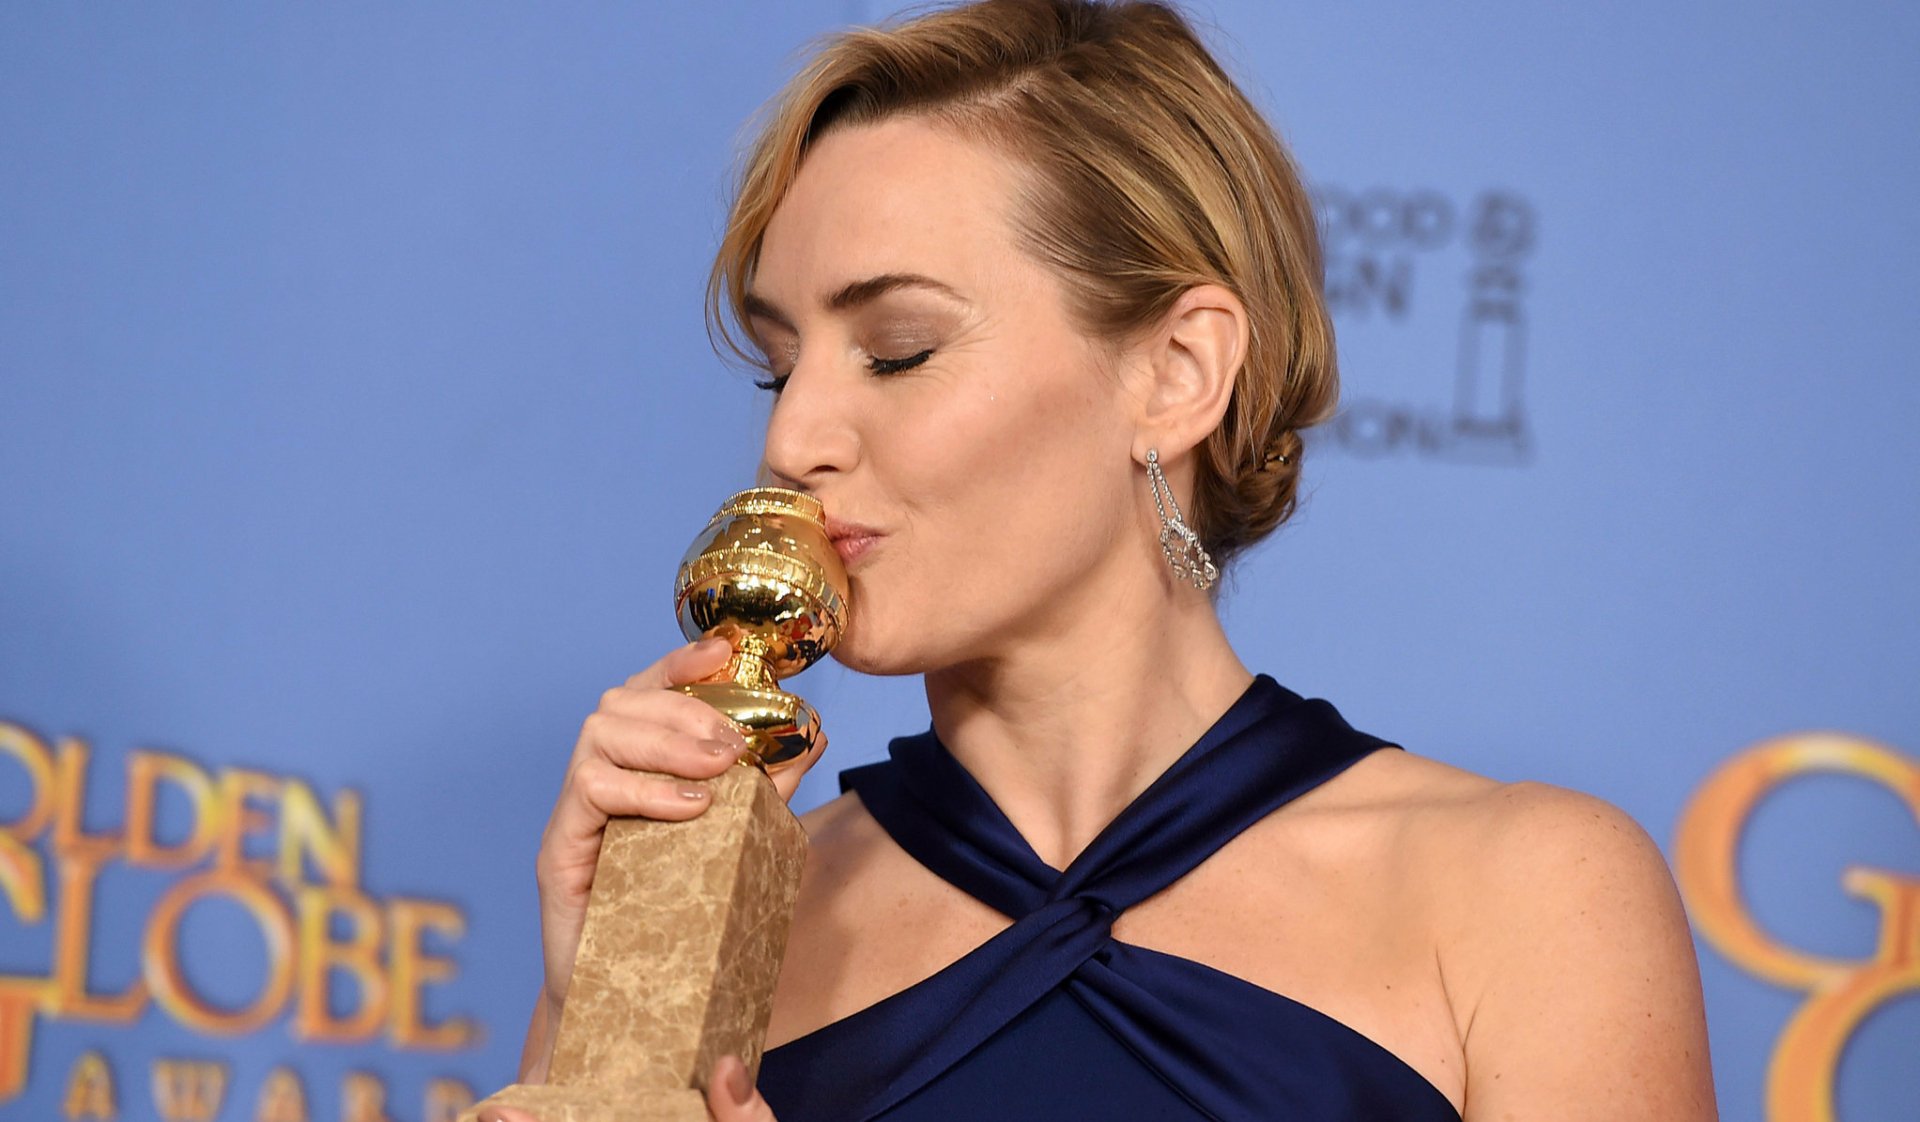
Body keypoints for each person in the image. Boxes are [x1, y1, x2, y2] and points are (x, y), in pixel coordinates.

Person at [488, 1, 1718, 1119]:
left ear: (1177, 374)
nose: (790, 438)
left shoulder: (1527, 896)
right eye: (778, 363)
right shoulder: (733, 923)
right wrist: (612, 1022)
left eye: (900, 348)